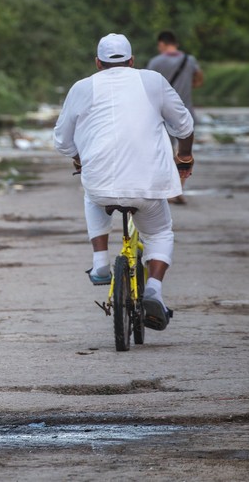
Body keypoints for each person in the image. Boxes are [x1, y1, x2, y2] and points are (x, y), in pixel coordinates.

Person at [54, 33, 195, 331]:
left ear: (97, 63)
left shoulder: (82, 87)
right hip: (148, 184)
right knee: (158, 233)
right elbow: (183, 125)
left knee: (91, 194)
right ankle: (154, 289)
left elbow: (63, 141)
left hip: (101, 185)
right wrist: (185, 159)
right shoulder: (152, 80)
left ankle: (101, 262)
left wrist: (79, 160)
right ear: (132, 62)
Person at [147, 30, 203, 205]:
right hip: (186, 111)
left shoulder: (156, 62)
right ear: (175, 43)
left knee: (165, 152)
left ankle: (169, 191)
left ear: (162, 44)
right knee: (184, 153)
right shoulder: (190, 60)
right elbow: (200, 78)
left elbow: (146, 87)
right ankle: (178, 188)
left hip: (162, 114)